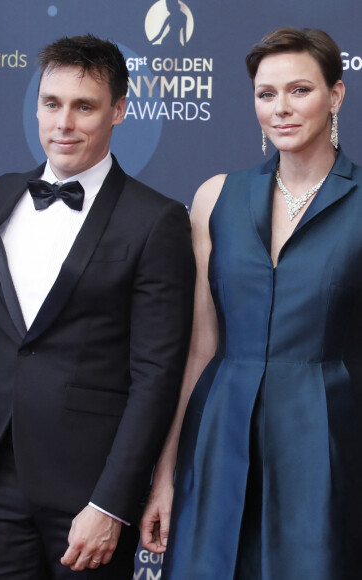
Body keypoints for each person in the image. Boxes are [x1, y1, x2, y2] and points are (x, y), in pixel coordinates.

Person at [0, 34, 195, 579]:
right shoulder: (2, 196)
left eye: (84, 106)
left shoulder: (155, 219)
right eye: (51, 104)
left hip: (88, 491)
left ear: (118, 110)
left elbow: (156, 373)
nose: (63, 122)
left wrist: (113, 502)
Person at [140, 27, 362, 579]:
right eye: (266, 94)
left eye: (299, 91)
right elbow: (197, 349)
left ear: (336, 96)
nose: (280, 108)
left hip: (327, 440)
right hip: (218, 435)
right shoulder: (216, 196)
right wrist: (165, 473)